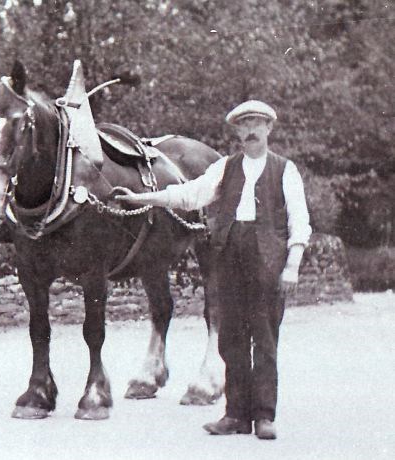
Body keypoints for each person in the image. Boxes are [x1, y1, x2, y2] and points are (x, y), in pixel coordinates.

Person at [114, 100, 311, 440]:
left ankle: (264, 415)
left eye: (257, 124)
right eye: (244, 124)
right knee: (231, 340)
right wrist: (142, 199)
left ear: (268, 129)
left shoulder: (284, 169)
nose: (250, 130)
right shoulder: (224, 168)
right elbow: (190, 195)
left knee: (264, 340)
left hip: (268, 260)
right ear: (237, 131)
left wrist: (292, 264)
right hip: (230, 257)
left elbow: (300, 219)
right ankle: (235, 414)